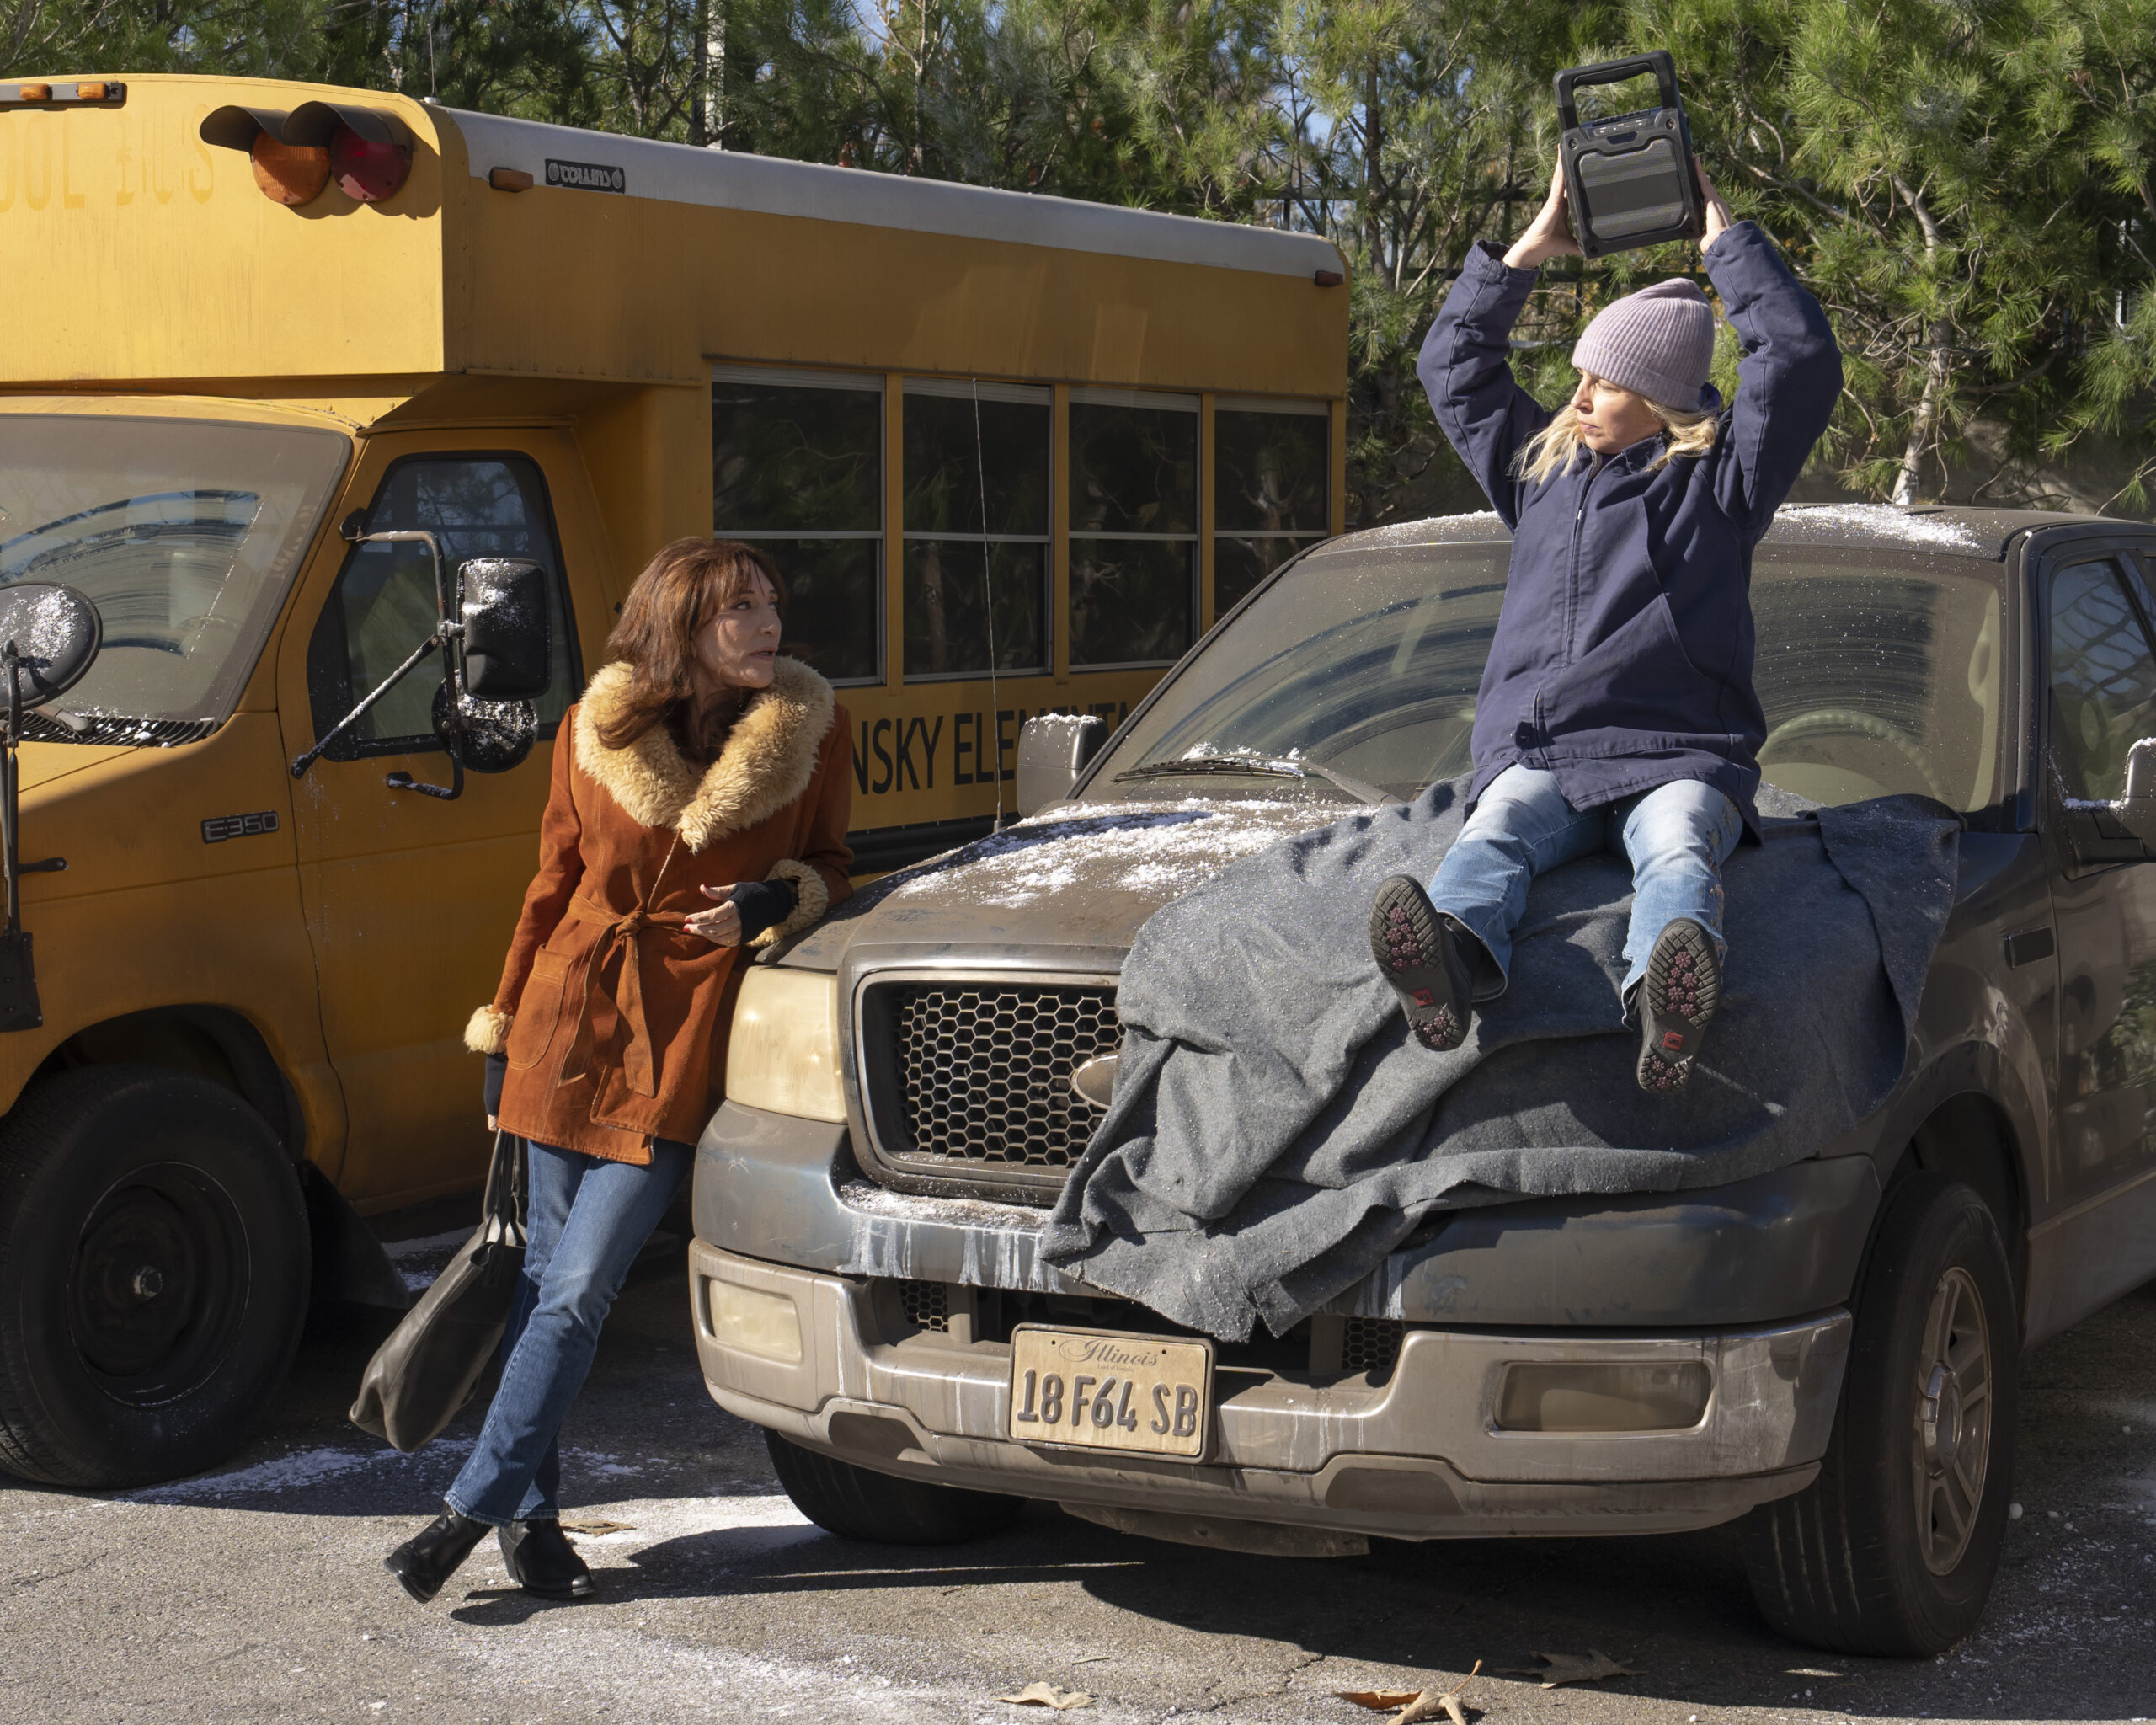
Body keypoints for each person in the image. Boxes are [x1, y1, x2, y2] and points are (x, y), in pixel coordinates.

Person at [385, 537, 853, 1604]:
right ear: (680, 625)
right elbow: (550, 882)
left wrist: (766, 901)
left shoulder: (812, 727)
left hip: (680, 1031)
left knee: (581, 1282)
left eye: (771, 603)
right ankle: (532, 1519)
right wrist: (503, 1027)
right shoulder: (593, 727)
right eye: (739, 608)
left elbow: (830, 862)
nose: (768, 624)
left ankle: (468, 1508)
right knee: (541, 1280)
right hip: (566, 1017)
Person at [1369, 155, 1841, 1094]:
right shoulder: (1540, 472)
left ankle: (1668, 1012)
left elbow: (1799, 363)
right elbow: (1451, 366)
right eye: (1580, 377)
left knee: (1676, 844)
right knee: (1494, 831)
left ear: (1661, 401)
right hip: (1545, 751)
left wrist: (1727, 247)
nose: (1579, 398)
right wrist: (1528, 251)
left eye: (1605, 384)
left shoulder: (1719, 483)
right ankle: (1447, 964)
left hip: (1678, 752)